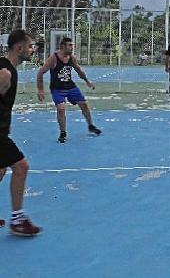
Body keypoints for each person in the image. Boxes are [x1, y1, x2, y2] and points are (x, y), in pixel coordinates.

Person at [0, 29, 41, 236]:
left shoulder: (8, 68)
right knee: (21, 166)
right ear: (19, 48)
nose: (33, 50)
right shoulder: (5, 72)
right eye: (30, 46)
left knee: (1, 170)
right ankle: (17, 220)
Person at [37, 37, 102, 144]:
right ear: (63, 46)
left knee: (84, 104)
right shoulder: (54, 58)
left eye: (72, 45)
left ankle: (91, 125)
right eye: (70, 45)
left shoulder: (71, 58)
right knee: (61, 109)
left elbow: (79, 70)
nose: (72, 47)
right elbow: (40, 72)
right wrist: (40, 90)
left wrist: (87, 81)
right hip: (57, 89)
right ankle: (63, 133)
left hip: (70, 86)